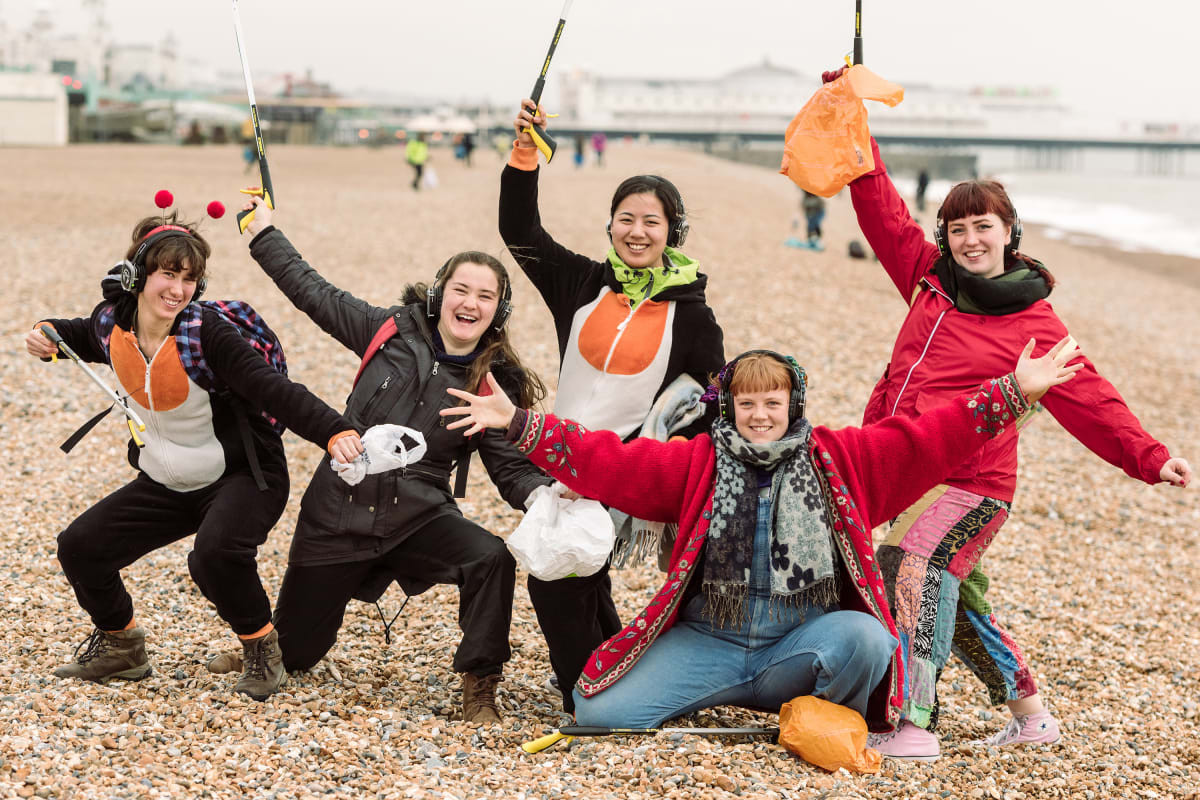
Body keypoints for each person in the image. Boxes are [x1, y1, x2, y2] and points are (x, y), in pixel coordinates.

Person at [829, 64, 1194, 760]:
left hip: (974, 484)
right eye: (958, 228)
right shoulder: (926, 280)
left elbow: (1093, 400)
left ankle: (912, 723)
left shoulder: (1036, 322)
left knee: (913, 567)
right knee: (955, 600)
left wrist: (1150, 456)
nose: (970, 239)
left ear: (1009, 232)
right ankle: (1032, 715)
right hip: (905, 467)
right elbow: (878, 203)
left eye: (983, 226)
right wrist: (851, 115)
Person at [441, 344, 1082, 730]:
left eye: (772, 402)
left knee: (865, 638)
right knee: (596, 713)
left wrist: (1011, 394)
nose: (760, 414)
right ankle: (758, 702)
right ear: (731, 410)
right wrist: (521, 423)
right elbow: (613, 460)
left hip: (802, 639)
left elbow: (926, 440)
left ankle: (809, 707)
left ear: (792, 405)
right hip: (711, 641)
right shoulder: (698, 463)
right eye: (747, 405)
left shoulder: (843, 459)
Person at [25, 206, 364, 701]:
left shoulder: (207, 334)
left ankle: (262, 651)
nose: (178, 289)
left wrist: (334, 432)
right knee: (80, 547)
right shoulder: (110, 325)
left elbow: (273, 389)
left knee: (214, 556)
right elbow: (72, 333)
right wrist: (45, 332)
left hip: (243, 477)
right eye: (168, 274)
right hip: (167, 479)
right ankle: (122, 647)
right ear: (136, 276)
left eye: (190, 279)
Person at [238, 197, 553, 724]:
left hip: (419, 517)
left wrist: (546, 497)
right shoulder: (387, 330)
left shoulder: (493, 381)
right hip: (337, 512)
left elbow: (511, 467)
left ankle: (480, 687)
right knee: (295, 656)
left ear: (499, 310)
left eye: (485, 296)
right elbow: (312, 291)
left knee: (489, 557)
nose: (470, 303)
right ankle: (264, 644)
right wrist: (263, 233)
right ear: (438, 295)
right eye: (460, 290)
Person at [501, 99, 726, 716]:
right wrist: (526, 154)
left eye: (652, 222)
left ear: (673, 233)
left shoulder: (694, 317)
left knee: (558, 569)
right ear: (610, 226)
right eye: (626, 219)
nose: (637, 232)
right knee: (580, 572)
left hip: (624, 466)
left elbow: (707, 405)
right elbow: (520, 232)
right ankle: (611, 673)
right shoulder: (580, 283)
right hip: (556, 455)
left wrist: (656, 478)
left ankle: (587, 692)